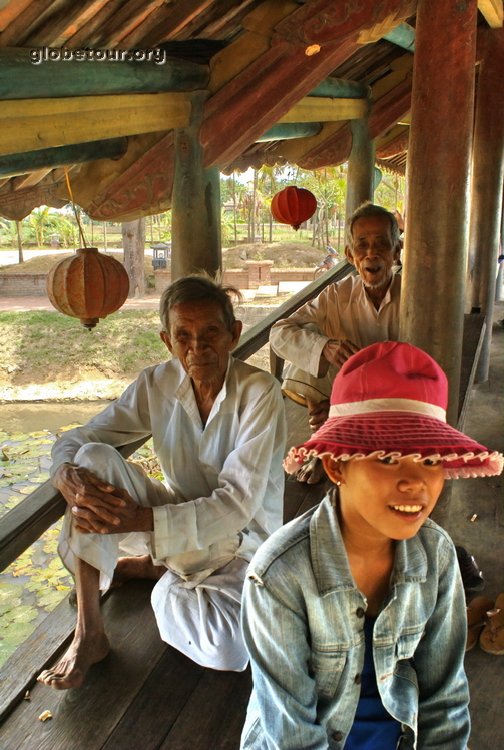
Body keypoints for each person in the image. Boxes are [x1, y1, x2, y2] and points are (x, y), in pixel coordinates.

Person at [240, 341, 503, 750]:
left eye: (431, 460)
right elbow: (292, 734)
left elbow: (444, 697)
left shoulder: (436, 556)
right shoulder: (278, 575)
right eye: (389, 457)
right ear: (336, 465)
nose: (415, 480)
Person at [37, 275, 286, 691]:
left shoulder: (259, 393)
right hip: (167, 517)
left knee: (230, 647)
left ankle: (158, 569)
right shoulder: (156, 384)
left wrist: (140, 520)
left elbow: (237, 505)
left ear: (233, 334)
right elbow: (82, 437)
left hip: (243, 542)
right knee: (89, 462)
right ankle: (89, 631)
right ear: (167, 341)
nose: (197, 347)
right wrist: (63, 473)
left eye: (211, 332)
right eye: (183, 336)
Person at [270, 201, 402, 482]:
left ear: (396, 251)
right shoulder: (335, 296)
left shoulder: (414, 296)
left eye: (381, 243)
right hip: (342, 400)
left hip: (396, 399)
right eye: (361, 245)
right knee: (313, 348)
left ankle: (345, 435)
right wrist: (325, 348)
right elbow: (279, 333)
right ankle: (326, 445)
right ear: (350, 255)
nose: (371, 254)